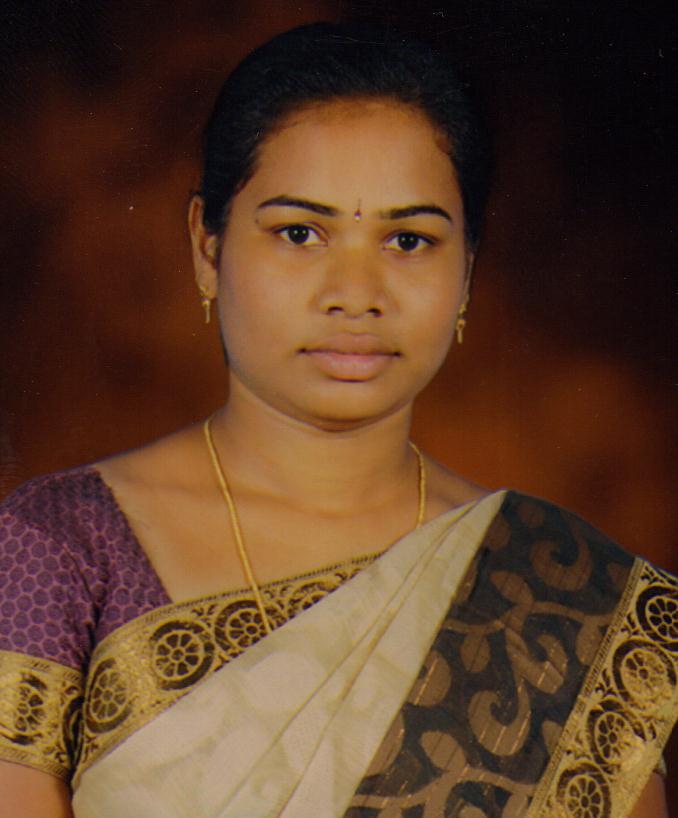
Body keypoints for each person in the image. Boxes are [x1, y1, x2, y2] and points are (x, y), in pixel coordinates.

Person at [0, 21, 675, 818]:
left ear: (466, 271)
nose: (356, 294)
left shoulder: (565, 599)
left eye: (408, 240)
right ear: (208, 248)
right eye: (299, 233)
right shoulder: (60, 550)